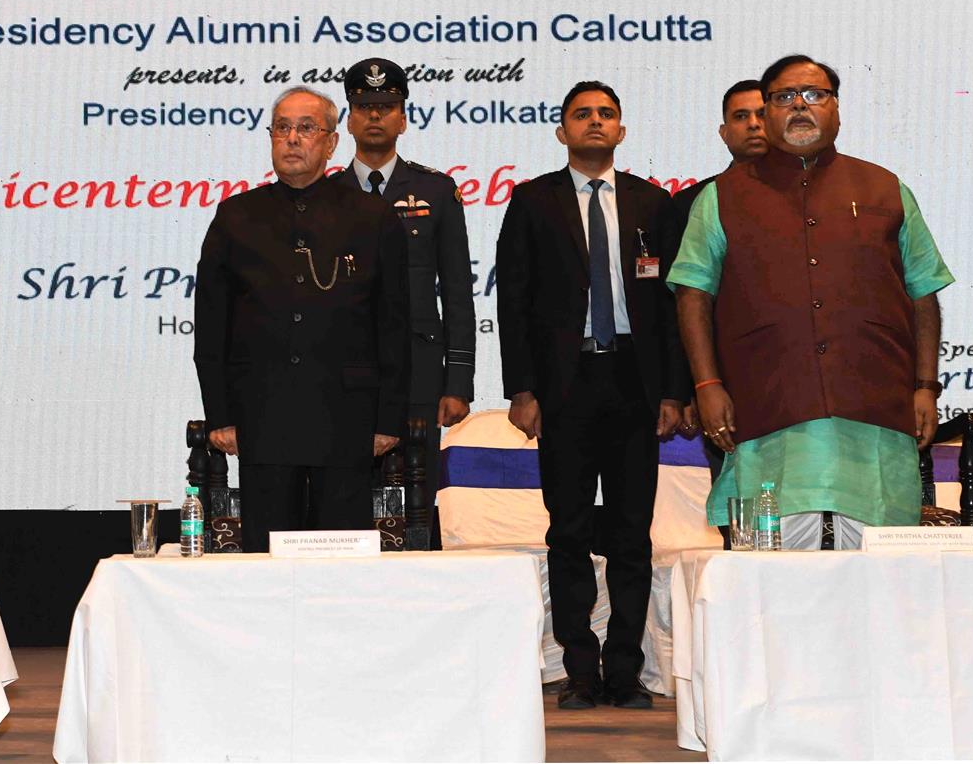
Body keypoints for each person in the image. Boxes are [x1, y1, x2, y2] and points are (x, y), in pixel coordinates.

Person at [669, 54, 953, 551]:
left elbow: (923, 294)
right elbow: (694, 295)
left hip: (875, 416)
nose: (800, 106)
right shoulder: (720, 198)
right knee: (770, 576)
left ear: (837, 109)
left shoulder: (886, 189)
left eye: (815, 95)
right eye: (784, 97)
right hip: (766, 416)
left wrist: (925, 385)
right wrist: (708, 384)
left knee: (877, 574)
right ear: (766, 112)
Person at [496, 81, 686, 710]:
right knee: (569, 530)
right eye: (582, 115)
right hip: (564, 384)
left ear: (622, 130)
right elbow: (514, 301)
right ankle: (579, 669)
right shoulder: (532, 201)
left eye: (606, 114)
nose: (595, 123)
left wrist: (672, 392)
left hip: (634, 381)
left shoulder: (652, 204)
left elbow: (668, 308)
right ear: (562, 131)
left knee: (633, 533)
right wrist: (522, 389)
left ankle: (625, 671)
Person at [194, 86, 409, 552]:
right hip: (263, 414)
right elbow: (211, 325)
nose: (293, 139)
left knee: (343, 558)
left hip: (347, 417)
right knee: (266, 557)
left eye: (307, 128)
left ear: (332, 142)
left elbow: (393, 324)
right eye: (283, 128)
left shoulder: (373, 216)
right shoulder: (237, 215)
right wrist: (222, 414)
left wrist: (388, 417)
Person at [328, 57, 475, 547]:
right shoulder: (327, 194)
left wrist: (458, 382)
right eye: (365, 105)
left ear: (403, 117)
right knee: (344, 498)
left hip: (418, 370)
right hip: (342, 373)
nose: (375, 115)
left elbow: (457, 290)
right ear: (348, 118)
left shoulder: (435, 189)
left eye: (386, 106)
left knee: (416, 500)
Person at [672, 80, 769, 545]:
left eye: (761, 113)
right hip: (726, 385)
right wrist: (692, 385)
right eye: (740, 116)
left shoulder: (819, 197)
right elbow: (682, 303)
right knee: (746, 524)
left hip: (805, 387)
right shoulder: (695, 203)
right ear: (723, 131)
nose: (753, 124)